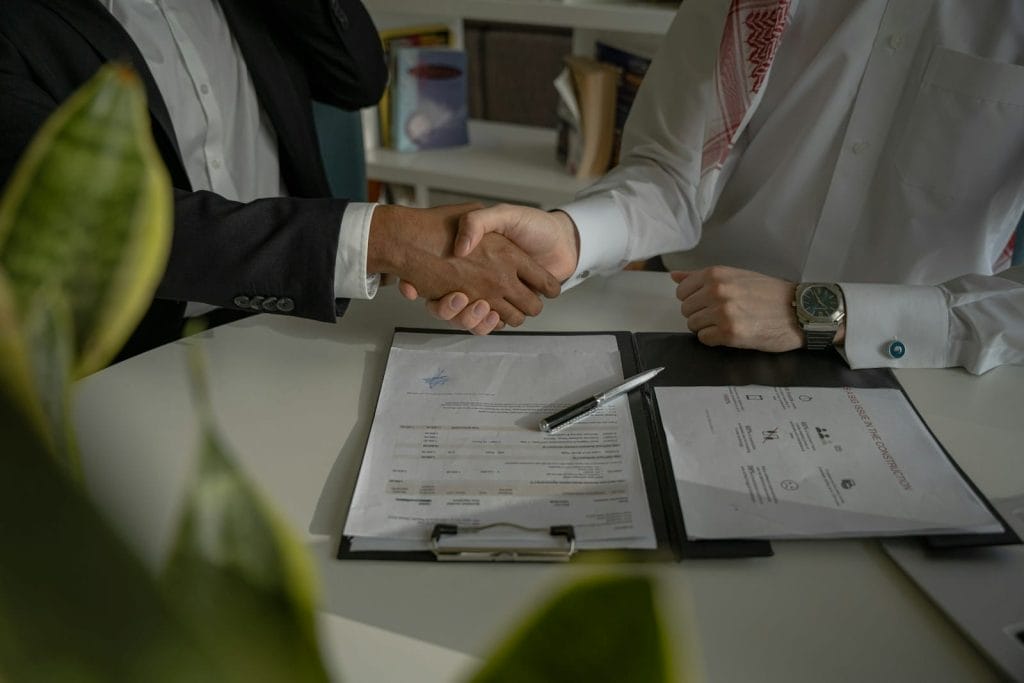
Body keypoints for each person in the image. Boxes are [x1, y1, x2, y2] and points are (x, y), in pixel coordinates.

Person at [407, 0, 1024, 374]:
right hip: (697, 334)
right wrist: (574, 235)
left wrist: (823, 315)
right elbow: (673, 173)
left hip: (934, 369)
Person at [0, 0, 557, 362]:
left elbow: (359, 79)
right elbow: (106, 226)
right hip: (127, 358)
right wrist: (386, 240)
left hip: (299, 318)